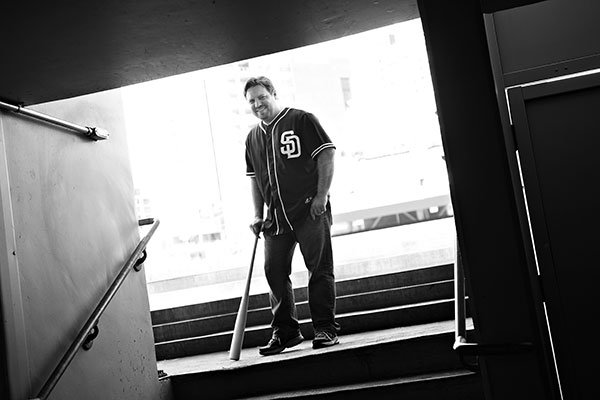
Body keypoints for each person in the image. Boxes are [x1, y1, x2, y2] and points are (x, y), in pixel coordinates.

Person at [243, 76, 339, 356]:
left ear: (273, 94)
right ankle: (285, 331)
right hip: (276, 220)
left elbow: (327, 155)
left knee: (319, 269)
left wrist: (322, 197)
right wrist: (257, 214)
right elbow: (254, 179)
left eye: (262, 97)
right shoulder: (252, 137)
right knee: (274, 271)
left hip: (309, 210)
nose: (258, 103)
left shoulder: (301, 119)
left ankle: (325, 328)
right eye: (251, 101)